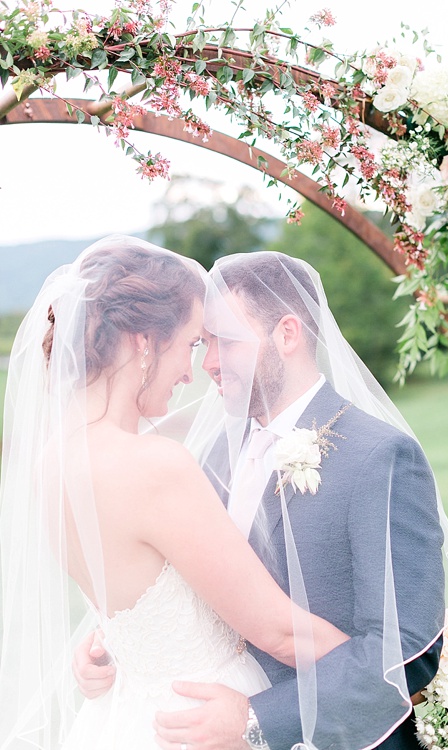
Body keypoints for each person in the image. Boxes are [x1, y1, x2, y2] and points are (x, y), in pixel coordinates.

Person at [75, 251, 448, 750]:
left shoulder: (380, 457)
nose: (209, 362)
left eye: (226, 341)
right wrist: (111, 648)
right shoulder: (208, 456)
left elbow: (407, 649)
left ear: (288, 334)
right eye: (203, 342)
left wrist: (258, 718)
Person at [0, 238, 349, 750]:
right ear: (145, 342)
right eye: (190, 343)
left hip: (128, 720)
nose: (193, 371)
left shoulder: (49, 461)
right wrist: (404, 680)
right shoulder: (152, 463)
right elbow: (278, 632)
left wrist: (105, 652)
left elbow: (129, 603)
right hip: (205, 722)